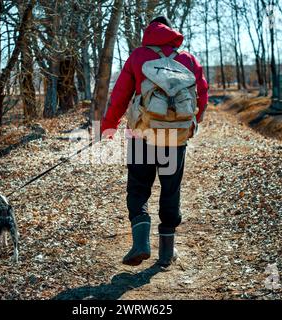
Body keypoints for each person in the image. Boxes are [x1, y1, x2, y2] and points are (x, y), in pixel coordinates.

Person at [100, 16, 209, 267]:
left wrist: (108, 126)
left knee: (138, 187)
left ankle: (140, 243)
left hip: (142, 136)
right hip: (175, 137)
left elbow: (120, 95)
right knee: (171, 189)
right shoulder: (188, 60)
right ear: (172, 33)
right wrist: (195, 121)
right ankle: (167, 253)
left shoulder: (138, 57)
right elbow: (201, 94)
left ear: (148, 32)